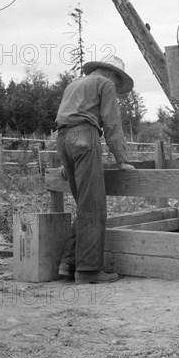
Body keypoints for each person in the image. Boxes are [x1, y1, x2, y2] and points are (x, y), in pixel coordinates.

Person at [55, 57, 135, 284]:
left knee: (84, 204)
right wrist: (122, 160)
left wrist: (65, 158)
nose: (117, 88)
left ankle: (67, 264)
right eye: (118, 83)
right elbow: (111, 122)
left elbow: (66, 121)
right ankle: (88, 270)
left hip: (63, 141)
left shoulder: (74, 84)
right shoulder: (105, 84)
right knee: (93, 206)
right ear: (114, 75)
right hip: (84, 138)